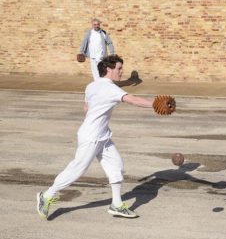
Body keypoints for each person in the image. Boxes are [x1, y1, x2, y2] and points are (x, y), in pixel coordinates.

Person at [37, 55, 154, 219]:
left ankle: (117, 204)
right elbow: (132, 100)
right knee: (77, 169)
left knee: (116, 165)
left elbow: (86, 108)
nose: (121, 72)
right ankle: (47, 195)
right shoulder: (110, 89)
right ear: (109, 69)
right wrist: (155, 104)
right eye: (119, 68)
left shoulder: (91, 86)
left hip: (101, 135)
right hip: (91, 137)